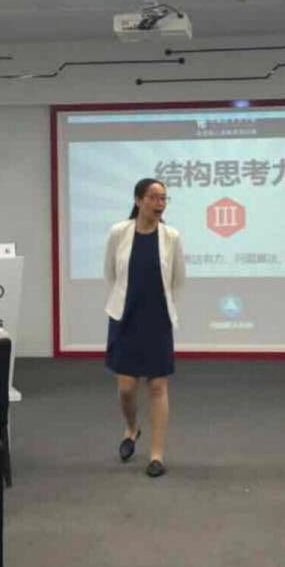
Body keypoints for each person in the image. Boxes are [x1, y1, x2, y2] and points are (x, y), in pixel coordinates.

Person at [105, 178, 186, 478]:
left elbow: (178, 280)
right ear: (138, 200)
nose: (159, 203)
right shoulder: (119, 232)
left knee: (157, 386)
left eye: (164, 198)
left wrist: (167, 311)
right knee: (127, 388)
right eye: (153, 197)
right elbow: (110, 273)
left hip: (157, 320)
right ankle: (131, 428)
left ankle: (157, 455)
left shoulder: (172, 237)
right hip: (125, 317)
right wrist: (122, 303)